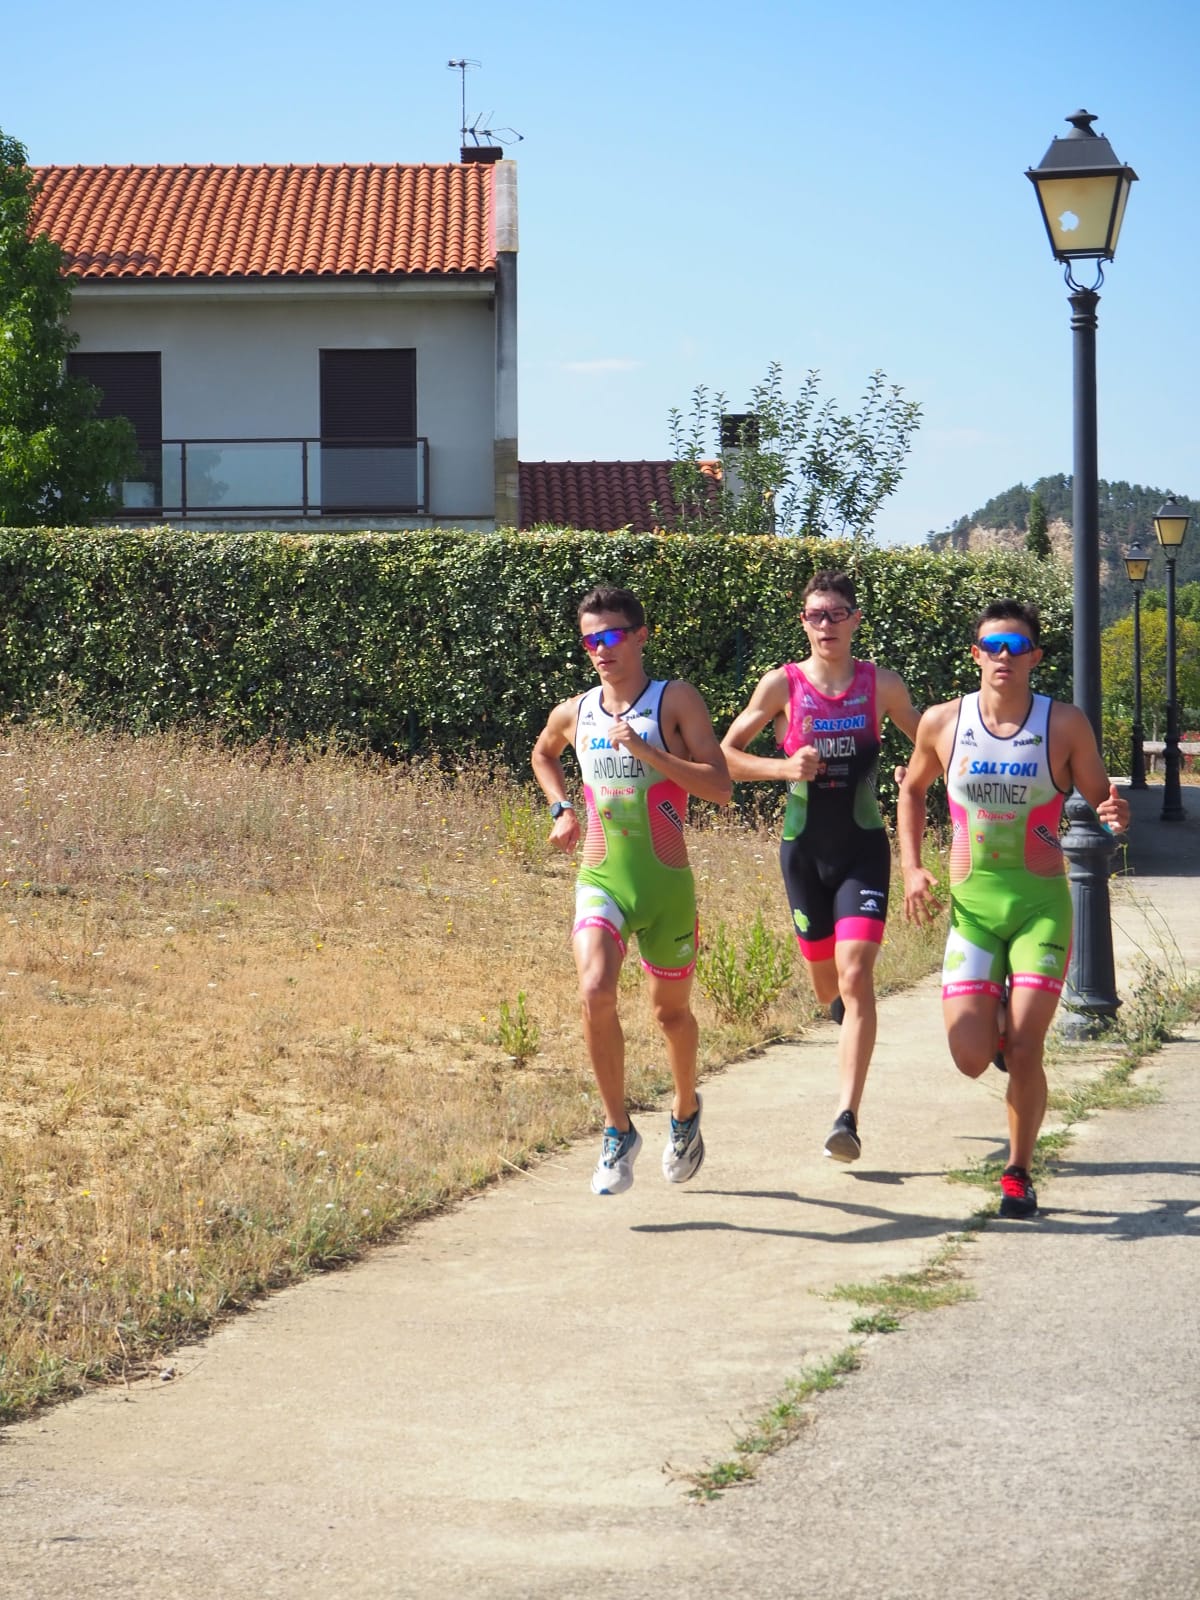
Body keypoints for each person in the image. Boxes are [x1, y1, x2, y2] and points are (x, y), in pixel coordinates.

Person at [898, 598, 1131, 1219]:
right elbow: (913, 791)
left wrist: (1113, 810)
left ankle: (1018, 1172)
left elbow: (1101, 794)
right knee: (972, 1058)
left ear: (1035, 657)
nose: (1004, 658)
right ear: (975, 655)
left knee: (1026, 1048)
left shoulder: (1064, 725)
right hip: (973, 912)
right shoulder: (943, 723)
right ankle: (996, 1024)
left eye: (1016, 648)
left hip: (1040, 909)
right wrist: (912, 866)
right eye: (992, 647)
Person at [531, 585, 732, 1196]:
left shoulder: (675, 701)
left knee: (669, 1014)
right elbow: (544, 753)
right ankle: (618, 1131)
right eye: (591, 638)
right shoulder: (576, 710)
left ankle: (685, 1111)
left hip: (667, 885)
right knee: (594, 988)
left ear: (641, 635)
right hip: (602, 876)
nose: (602, 649)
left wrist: (647, 750)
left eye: (613, 635)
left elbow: (720, 786)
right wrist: (562, 809)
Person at [720, 570, 921, 1164]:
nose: (826, 625)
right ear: (803, 622)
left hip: (862, 847)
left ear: (856, 620)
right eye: (815, 615)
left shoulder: (881, 685)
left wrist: (919, 776)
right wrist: (783, 770)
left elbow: (930, 740)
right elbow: (723, 757)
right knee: (828, 984)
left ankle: (846, 1117)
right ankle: (840, 1012)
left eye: (836, 614)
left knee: (857, 975)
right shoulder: (781, 686)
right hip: (803, 852)